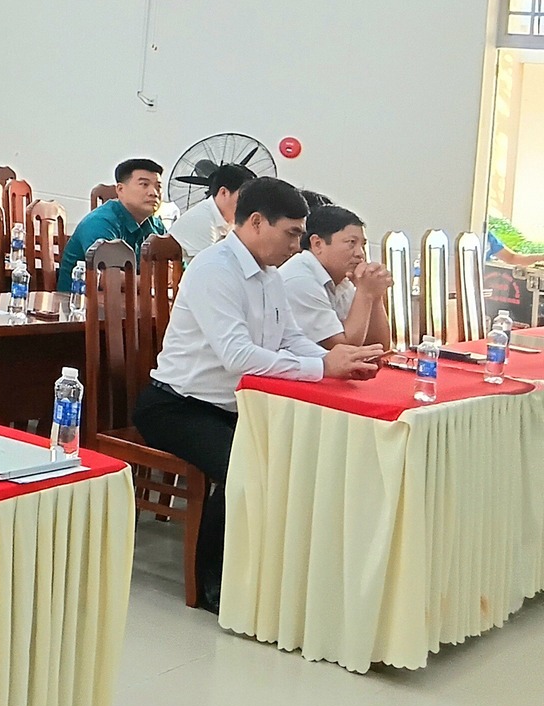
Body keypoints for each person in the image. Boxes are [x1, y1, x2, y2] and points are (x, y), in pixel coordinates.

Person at [133, 177, 385, 611]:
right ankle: (213, 585)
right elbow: (238, 356)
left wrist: (336, 359)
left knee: (298, 456)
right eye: (291, 233)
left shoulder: (269, 275)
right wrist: (323, 367)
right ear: (255, 222)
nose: (297, 245)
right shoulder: (215, 269)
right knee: (245, 465)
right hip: (177, 406)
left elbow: (289, 337)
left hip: (234, 406)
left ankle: (271, 573)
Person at [279, 204, 392, 349]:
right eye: (351, 243)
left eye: (362, 245)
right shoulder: (299, 280)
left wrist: (375, 296)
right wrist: (365, 293)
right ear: (317, 244)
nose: (360, 254)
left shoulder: (343, 280)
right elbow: (344, 348)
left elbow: (379, 346)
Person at [59, 158, 166, 283]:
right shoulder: (100, 222)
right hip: (79, 294)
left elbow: (175, 267)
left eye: (158, 187)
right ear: (120, 189)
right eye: (144, 185)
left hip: (132, 294)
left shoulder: (156, 225)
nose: (154, 193)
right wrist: (155, 282)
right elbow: (106, 277)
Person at [168, 163, 256, 260]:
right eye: (244, 198)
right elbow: (212, 266)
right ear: (223, 193)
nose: (249, 205)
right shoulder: (202, 220)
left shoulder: (229, 222)